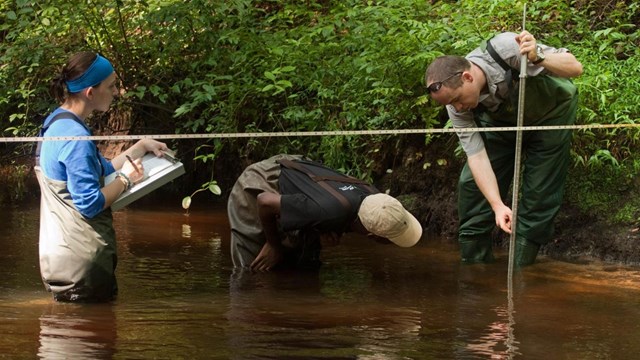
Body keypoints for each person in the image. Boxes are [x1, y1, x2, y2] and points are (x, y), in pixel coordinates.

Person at [424, 31, 582, 266]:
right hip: (502, 125)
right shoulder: (455, 107)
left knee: (539, 192)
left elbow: (575, 67)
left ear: (467, 77)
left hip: (551, 115)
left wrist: (538, 57)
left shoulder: (507, 48)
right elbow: (476, 157)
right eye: (450, 104)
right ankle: (474, 275)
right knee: (472, 187)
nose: (457, 107)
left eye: (457, 99)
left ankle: (521, 271)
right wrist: (498, 205)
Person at [35, 51, 170, 302]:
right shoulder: (76, 138)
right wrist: (126, 180)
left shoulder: (58, 122)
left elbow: (100, 169)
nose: (117, 92)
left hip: (61, 258)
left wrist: (139, 147)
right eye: (111, 86)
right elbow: (89, 203)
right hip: (82, 265)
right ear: (90, 92)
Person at [228, 154, 423, 271]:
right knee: (255, 270)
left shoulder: (373, 196)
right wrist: (273, 245)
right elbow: (264, 202)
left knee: (305, 266)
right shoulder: (330, 212)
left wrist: (322, 231)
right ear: (373, 236)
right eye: (390, 239)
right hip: (263, 181)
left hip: (301, 179)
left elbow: (326, 205)